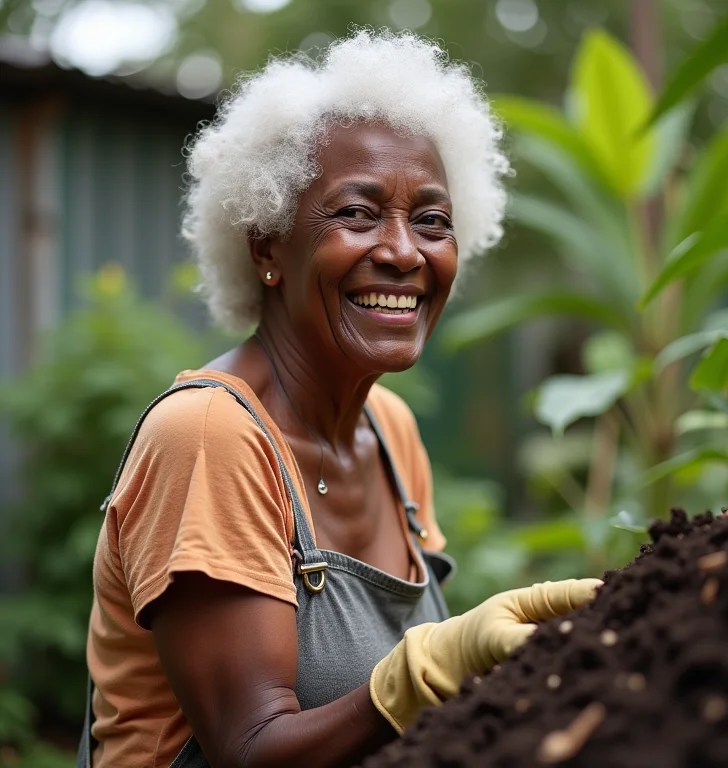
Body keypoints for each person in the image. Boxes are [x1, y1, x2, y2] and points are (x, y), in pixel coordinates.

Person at [78, 30, 601, 768]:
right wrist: (419, 674)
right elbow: (250, 750)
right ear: (266, 248)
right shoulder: (209, 436)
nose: (403, 251)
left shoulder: (389, 429)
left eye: (431, 220)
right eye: (357, 214)